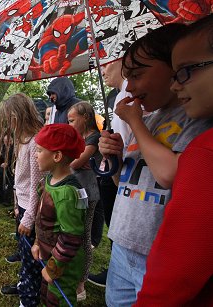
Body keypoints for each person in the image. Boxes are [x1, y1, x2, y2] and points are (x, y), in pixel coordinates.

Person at [98, 23, 213, 306]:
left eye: (137, 75)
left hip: (158, 255)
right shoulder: (148, 122)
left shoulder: (198, 120)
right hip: (123, 245)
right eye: (127, 78)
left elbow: (170, 174)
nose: (131, 87)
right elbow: (123, 182)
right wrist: (116, 158)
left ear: (171, 68)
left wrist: (135, 123)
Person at [136, 14, 213, 306]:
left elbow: (172, 281)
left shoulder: (205, 151)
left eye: (184, 71)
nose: (175, 86)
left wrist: (134, 124)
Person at [0, 93, 44, 306]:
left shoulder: (35, 142)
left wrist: (29, 218)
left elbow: (37, 185)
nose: (7, 123)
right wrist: (17, 206)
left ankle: (29, 298)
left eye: (9, 118)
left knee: (33, 260)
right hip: (22, 207)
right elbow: (20, 180)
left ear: (18, 115)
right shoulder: (23, 141)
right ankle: (24, 285)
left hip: (31, 211)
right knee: (24, 255)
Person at [88, 58, 132, 287]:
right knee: (113, 225)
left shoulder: (129, 100)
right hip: (117, 179)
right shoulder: (114, 98)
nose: (102, 70)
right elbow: (120, 177)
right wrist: (112, 153)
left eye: (107, 63)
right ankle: (116, 268)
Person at [31, 123, 86, 306]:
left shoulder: (67, 193)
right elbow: (42, 218)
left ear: (57, 156)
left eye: (39, 150)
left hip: (63, 266)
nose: (35, 154)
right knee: (46, 296)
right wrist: (38, 242)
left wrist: (54, 267)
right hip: (48, 257)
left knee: (58, 299)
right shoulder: (48, 180)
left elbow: (71, 237)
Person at [67, 102, 102, 301]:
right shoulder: (80, 138)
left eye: (72, 120)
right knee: (73, 234)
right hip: (75, 192)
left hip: (88, 193)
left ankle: (81, 283)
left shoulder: (94, 138)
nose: (70, 124)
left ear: (86, 117)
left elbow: (77, 162)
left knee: (84, 237)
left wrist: (59, 161)